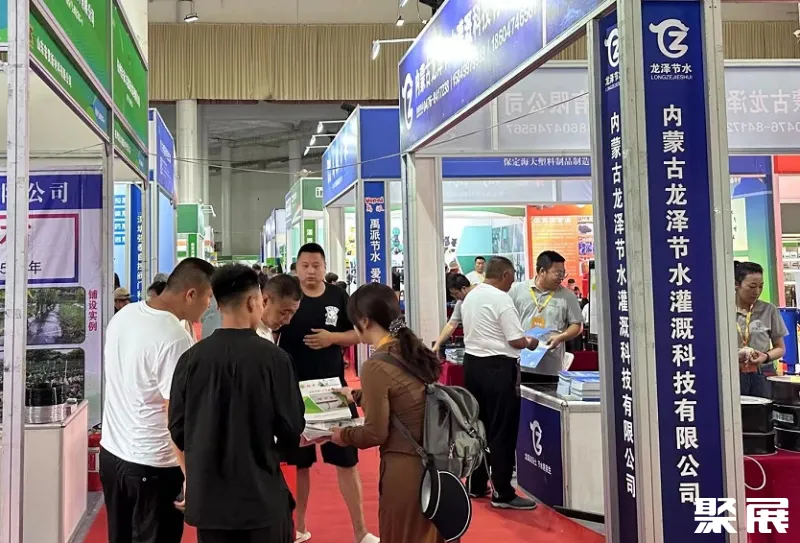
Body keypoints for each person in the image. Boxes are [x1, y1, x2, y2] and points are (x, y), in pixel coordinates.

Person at [169, 265, 304, 543]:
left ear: (219, 305)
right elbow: (292, 428)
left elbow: (178, 429)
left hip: (211, 502)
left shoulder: (190, 359)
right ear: (253, 301)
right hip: (260, 496)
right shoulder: (275, 359)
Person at [100, 258, 215, 543]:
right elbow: (174, 414)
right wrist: (190, 475)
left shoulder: (125, 315)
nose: (208, 306)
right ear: (191, 294)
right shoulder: (174, 338)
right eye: (208, 298)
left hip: (112, 455)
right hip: (153, 466)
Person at [276, 243, 376, 543]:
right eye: (305, 265)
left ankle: (361, 531)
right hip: (294, 393)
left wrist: (332, 338)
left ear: (324, 266)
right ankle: (298, 527)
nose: (310, 271)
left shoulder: (338, 297)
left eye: (316, 265)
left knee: (347, 461)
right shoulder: (288, 295)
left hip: (335, 391)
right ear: (296, 267)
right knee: (299, 465)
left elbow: (360, 334)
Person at [330, 283, 444, 543]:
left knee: (402, 535)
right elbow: (405, 397)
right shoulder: (411, 350)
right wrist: (358, 395)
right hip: (437, 462)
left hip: (406, 469)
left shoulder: (376, 365)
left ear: (364, 321)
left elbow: (375, 433)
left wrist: (342, 435)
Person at [461, 256, 538, 510]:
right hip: (499, 369)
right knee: (502, 430)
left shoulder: (471, 296)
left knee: (479, 426)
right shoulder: (501, 299)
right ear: (505, 274)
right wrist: (531, 342)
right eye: (512, 276)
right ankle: (502, 491)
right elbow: (516, 339)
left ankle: (476, 483)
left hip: (473, 366)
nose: (513, 281)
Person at [509, 251, 584, 380]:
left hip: (551, 366)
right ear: (542, 271)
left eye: (563, 273)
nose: (561, 277)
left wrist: (561, 337)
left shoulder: (567, 296)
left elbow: (577, 325)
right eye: (558, 273)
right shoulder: (517, 290)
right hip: (520, 363)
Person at [735, 261, 788, 398]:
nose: (757, 292)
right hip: (732, 373)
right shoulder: (722, 311)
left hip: (762, 374)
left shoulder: (769, 310)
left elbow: (780, 348)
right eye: (752, 286)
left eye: (761, 286)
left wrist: (765, 357)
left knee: (763, 410)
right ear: (737, 284)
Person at [432, 273, 476, 352]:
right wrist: (437, 344)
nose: (455, 297)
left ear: (464, 288)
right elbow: (451, 325)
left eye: (455, 293)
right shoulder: (461, 303)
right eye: (452, 294)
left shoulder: (481, 295)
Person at [258, 273, 303, 342]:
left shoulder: (266, 330)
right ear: (265, 301)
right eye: (283, 313)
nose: (287, 321)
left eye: (292, 313)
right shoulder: (253, 337)